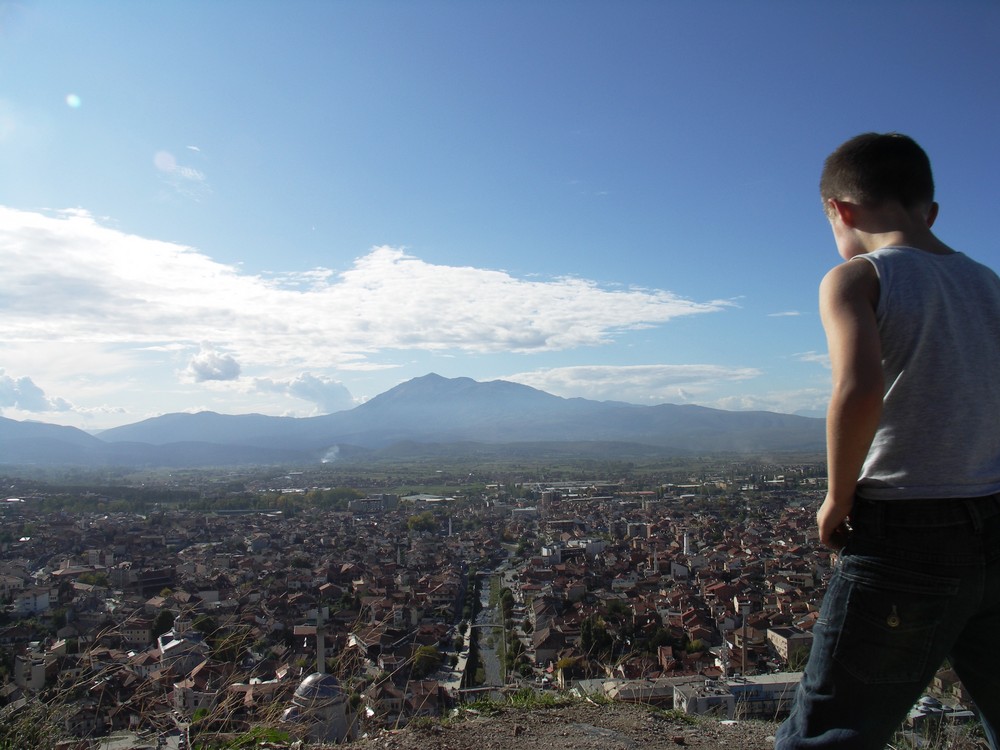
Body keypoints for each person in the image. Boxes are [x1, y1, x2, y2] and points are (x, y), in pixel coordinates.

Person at [775, 133, 1000, 749]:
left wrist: (837, 497)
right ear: (930, 211)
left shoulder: (857, 277)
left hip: (906, 530)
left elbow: (858, 390)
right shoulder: (989, 282)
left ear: (840, 210)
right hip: (995, 512)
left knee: (835, 726)